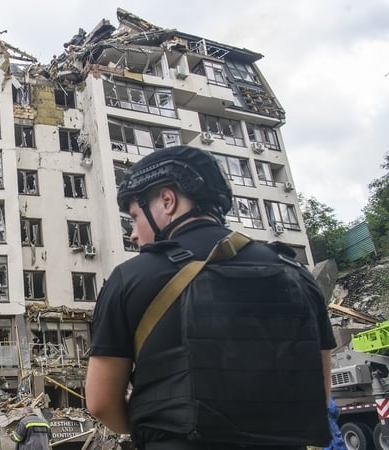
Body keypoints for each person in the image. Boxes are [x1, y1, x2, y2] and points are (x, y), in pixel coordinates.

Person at [85, 145, 336, 449]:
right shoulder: (295, 273)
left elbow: (100, 402)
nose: (133, 234)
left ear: (167, 201)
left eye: (134, 216)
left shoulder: (130, 278)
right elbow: (318, 393)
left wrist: (152, 428)